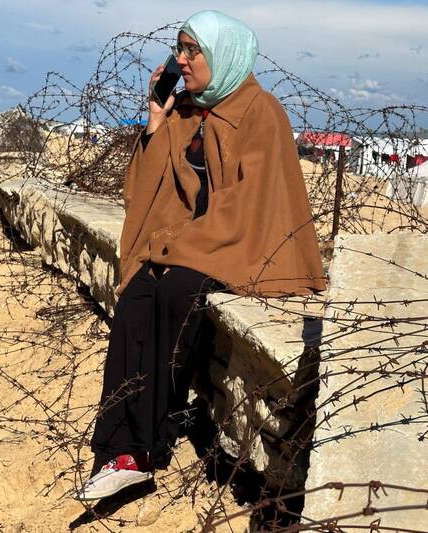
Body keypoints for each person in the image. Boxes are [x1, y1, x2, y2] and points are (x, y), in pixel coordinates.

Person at [73, 10, 326, 501]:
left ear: (222, 55)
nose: (182, 60)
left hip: (242, 244)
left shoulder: (260, 111)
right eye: (180, 50)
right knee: (137, 296)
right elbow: (143, 191)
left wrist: (179, 245)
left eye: (193, 51)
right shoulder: (188, 111)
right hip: (189, 241)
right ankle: (119, 451)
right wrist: (156, 120)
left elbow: (249, 206)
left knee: (176, 290)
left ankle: (145, 447)